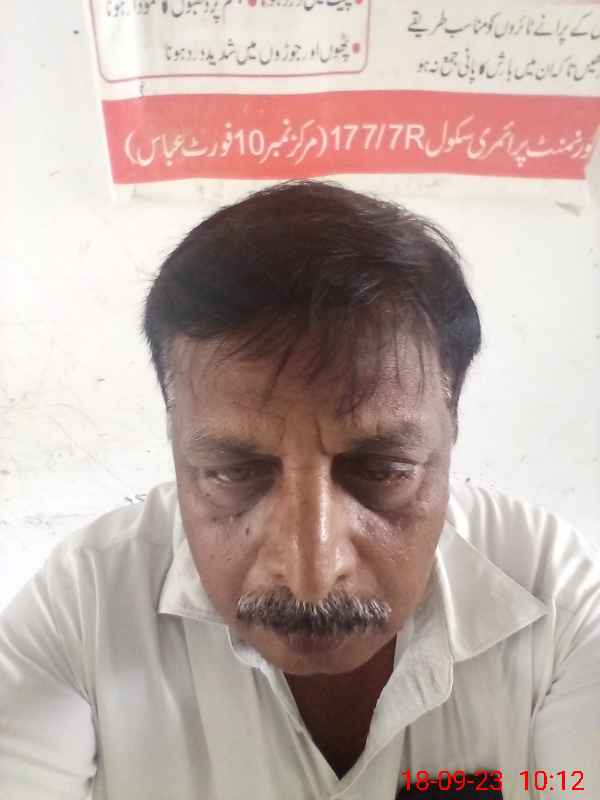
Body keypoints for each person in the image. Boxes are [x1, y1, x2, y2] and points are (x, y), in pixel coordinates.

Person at [1, 180, 599, 800]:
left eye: (381, 471)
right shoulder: (87, 604)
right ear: (174, 442)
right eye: (234, 473)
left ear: (451, 432)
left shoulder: (553, 599)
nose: (312, 575)